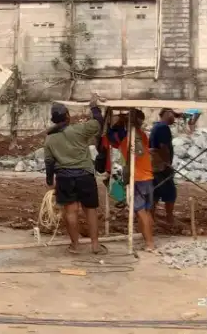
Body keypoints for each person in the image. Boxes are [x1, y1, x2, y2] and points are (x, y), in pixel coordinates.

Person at [43, 93, 106, 255]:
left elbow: (49, 163)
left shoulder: (49, 139)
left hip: (64, 177)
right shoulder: (79, 130)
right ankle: (95, 245)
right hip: (85, 176)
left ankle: (75, 245)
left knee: (70, 212)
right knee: (90, 210)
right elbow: (99, 122)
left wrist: (50, 181)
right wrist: (93, 106)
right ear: (68, 116)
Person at [109, 109, 156, 252]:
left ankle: (149, 243)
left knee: (141, 212)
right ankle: (148, 241)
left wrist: (120, 122)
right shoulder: (142, 135)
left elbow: (111, 136)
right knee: (146, 212)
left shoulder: (129, 138)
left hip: (138, 178)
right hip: (147, 176)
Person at [150, 108, 180, 225]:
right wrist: (167, 163)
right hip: (161, 166)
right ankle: (169, 218)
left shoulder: (156, 127)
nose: (174, 119)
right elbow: (163, 147)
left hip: (154, 165)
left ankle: (151, 218)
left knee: (155, 192)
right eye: (173, 115)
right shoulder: (163, 128)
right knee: (170, 192)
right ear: (167, 113)